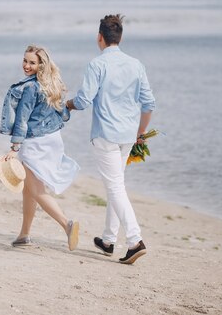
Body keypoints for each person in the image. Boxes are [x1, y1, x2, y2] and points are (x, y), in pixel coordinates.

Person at [66, 14, 155, 264]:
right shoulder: (136, 64)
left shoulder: (97, 64)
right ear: (121, 37)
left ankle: (135, 241)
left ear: (99, 37)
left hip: (106, 135)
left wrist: (66, 105)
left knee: (115, 187)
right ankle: (108, 240)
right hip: (128, 136)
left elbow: (83, 101)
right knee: (116, 186)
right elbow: (149, 104)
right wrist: (141, 134)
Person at [0, 45, 80, 251]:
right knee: (28, 190)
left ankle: (67, 225)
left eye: (32, 62)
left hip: (34, 143)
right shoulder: (50, 84)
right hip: (52, 140)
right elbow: (61, 113)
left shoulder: (29, 88)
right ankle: (24, 234)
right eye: (25, 61)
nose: (26, 65)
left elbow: (22, 120)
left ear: (41, 65)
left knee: (36, 189)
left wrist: (15, 148)